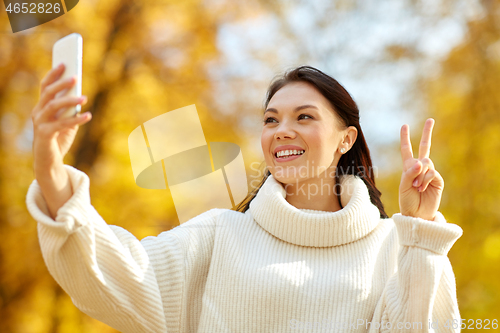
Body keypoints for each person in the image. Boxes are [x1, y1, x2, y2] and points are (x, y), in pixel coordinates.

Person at [26, 64, 463, 332]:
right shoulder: (220, 235)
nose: (281, 131)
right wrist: (49, 167)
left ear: (345, 139)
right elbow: (119, 272)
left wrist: (421, 233)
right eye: (271, 120)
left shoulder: (393, 245)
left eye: (304, 117)